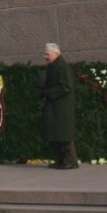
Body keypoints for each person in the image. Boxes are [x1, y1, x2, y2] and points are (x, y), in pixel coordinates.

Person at [41, 42, 78, 170]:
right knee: (56, 134)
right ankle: (61, 161)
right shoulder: (53, 66)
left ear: (56, 53)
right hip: (55, 107)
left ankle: (71, 161)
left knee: (64, 135)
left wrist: (48, 92)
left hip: (62, 107)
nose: (45, 56)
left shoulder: (63, 67)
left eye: (47, 54)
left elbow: (66, 87)